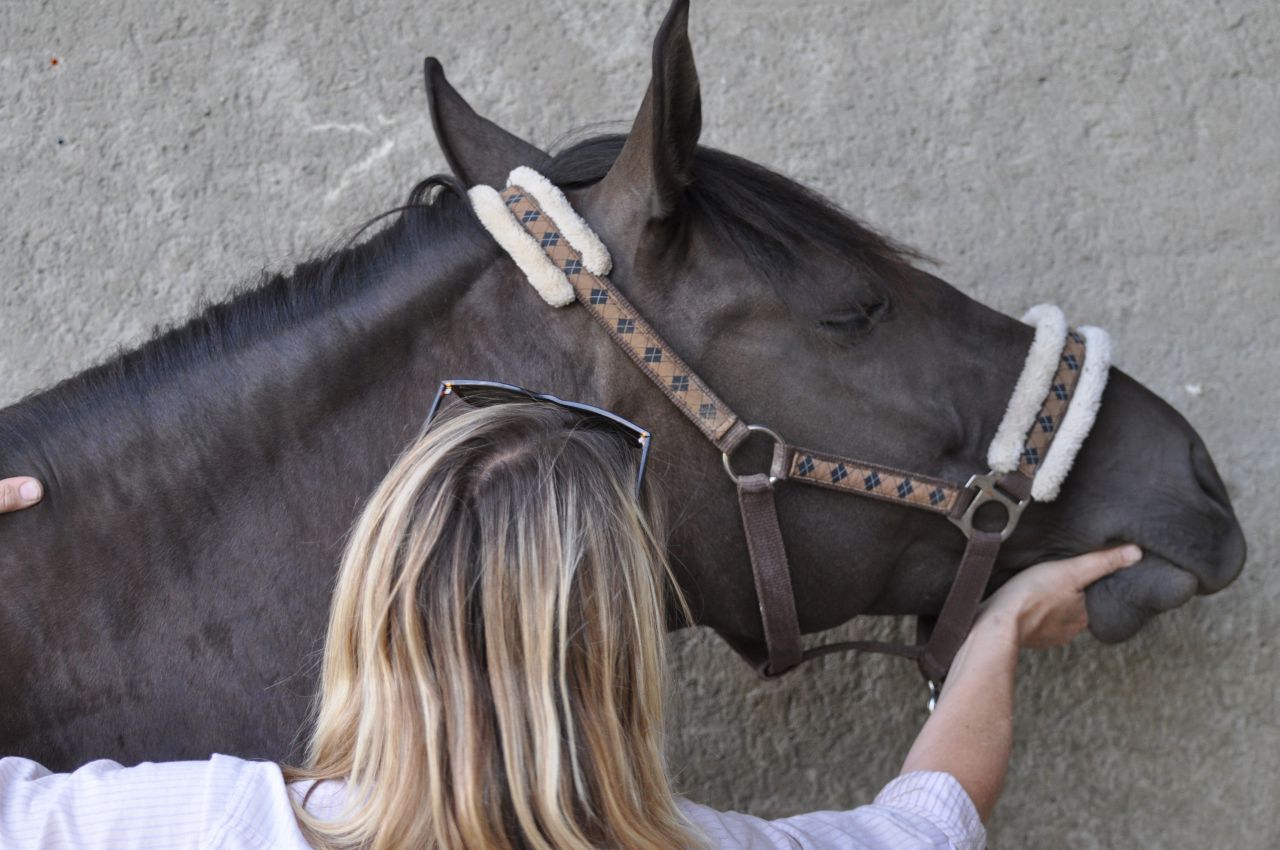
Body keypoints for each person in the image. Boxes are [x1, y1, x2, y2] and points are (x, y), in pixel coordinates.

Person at [0, 387, 1140, 849]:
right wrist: (996, 632)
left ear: (369, 607)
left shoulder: (199, 827)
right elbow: (929, 826)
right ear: (620, 647)